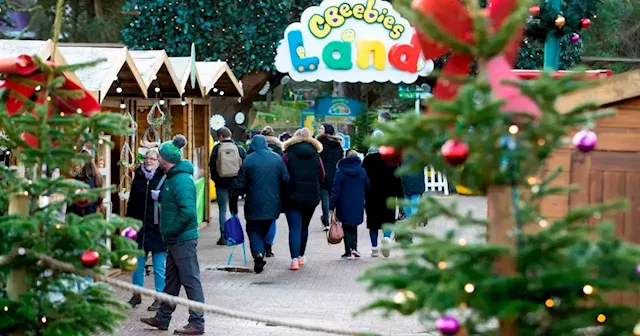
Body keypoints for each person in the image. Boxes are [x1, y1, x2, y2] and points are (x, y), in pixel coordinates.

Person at [140, 135, 205, 335]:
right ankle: (162, 317)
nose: (156, 159)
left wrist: (172, 230)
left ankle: (197, 322)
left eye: (159, 156)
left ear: (167, 159)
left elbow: (188, 212)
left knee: (191, 280)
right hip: (175, 239)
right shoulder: (172, 178)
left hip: (182, 239)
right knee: (172, 280)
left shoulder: (181, 180)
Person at [230, 135, 289, 273]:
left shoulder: (248, 160)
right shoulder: (277, 159)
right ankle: (262, 250)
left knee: (253, 230)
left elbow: (239, 183)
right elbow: (286, 178)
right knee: (264, 228)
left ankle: (258, 254)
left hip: (253, 203)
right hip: (273, 203)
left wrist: (233, 201)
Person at [126, 148, 167, 311]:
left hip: (157, 228)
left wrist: (161, 196)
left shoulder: (163, 177)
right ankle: (137, 294)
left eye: (153, 158)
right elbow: (131, 203)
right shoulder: (139, 177)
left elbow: (169, 200)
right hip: (139, 228)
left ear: (158, 161)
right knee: (137, 265)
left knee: (159, 267)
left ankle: (160, 297)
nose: (148, 161)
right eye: (146, 158)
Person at [282, 128, 324, 271]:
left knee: (294, 228)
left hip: (291, 196)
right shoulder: (316, 155)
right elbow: (322, 175)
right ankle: (301, 256)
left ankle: (294, 260)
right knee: (304, 227)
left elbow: (282, 175)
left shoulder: (287, 155)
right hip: (311, 197)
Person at [362, 130, 404, 258]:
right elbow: (397, 180)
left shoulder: (367, 160)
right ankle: (386, 238)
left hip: (372, 195)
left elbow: (363, 178)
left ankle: (374, 248)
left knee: (373, 223)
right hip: (389, 196)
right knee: (388, 220)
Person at [209, 127, 247, 245]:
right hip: (235, 185)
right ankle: (235, 236)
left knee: (222, 210)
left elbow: (212, 166)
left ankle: (223, 237)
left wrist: (216, 180)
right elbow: (244, 167)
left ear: (220, 136)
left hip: (221, 184)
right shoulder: (239, 148)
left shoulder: (217, 148)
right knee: (234, 210)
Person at [330, 149, 369, 259]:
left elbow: (336, 189)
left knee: (346, 225)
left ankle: (348, 250)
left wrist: (332, 205)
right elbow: (367, 186)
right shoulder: (362, 171)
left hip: (343, 202)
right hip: (358, 201)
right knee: (354, 225)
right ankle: (354, 248)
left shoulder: (340, 171)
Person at [258, 126, 284, 257]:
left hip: (257, 189)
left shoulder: (254, 151)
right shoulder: (279, 150)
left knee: (258, 220)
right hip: (274, 188)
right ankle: (269, 245)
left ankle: (260, 246)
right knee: (272, 219)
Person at [316, 123, 344, 231]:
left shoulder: (319, 144)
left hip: (323, 174)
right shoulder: (337, 144)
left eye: (321, 128)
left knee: (325, 199)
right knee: (335, 197)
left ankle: (326, 222)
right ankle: (335, 219)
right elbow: (341, 158)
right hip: (335, 173)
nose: (319, 130)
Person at [67, 150, 104, 217]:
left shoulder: (86, 182)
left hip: (82, 221)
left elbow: (88, 205)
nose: (76, 166)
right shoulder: (95, 177)